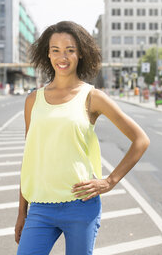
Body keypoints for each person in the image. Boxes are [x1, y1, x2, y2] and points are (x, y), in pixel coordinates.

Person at [15, 21, 150, 255]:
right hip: (39, 207)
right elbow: (30, 158)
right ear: (47, 54)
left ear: (80, 54)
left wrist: (109, 181)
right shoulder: (32, 101)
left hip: (80, 206)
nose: (62, 56)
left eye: (70, 50)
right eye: (55, 50)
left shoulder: (92, 97)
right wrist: (21, 211)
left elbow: (141, 139)